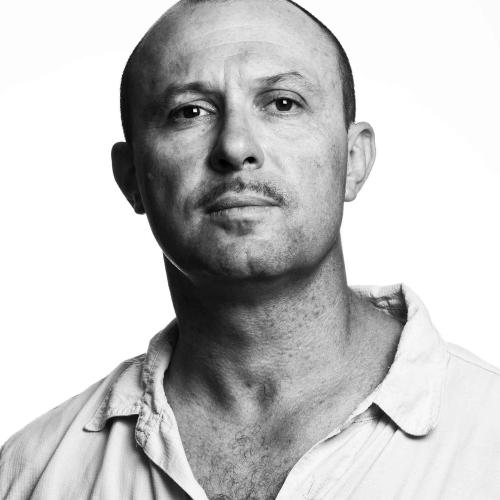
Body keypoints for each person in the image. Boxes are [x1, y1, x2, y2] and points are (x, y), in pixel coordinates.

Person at [1, 0, 499, 498]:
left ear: (353, 159)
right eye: (189, 112)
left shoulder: (487, 435)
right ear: (132, 177)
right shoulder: (32, 475)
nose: (236, 146)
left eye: (282, 103)